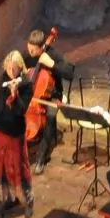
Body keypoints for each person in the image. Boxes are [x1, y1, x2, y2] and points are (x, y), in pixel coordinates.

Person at [0, 50, 34, 217]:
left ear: (20, 68)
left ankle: (29, 201)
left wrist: (14, 93)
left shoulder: (26, 85)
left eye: (14, 69)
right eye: (8, 68)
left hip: (15, 132)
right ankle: (9, 199)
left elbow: (21, 110)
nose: (11, 73)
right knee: (3, 168)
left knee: (21, 168)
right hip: (0, 129)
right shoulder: (3, 78)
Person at [24, 28, 74, 173]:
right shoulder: (29, 55)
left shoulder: (53, 54)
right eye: (29, 48)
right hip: (34, 94)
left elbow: (69, 74)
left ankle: (41, 157)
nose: (30, 53)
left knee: (50, 116)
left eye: (33, 50)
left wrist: (52, 64)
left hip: (53, 94)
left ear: (41, 48)